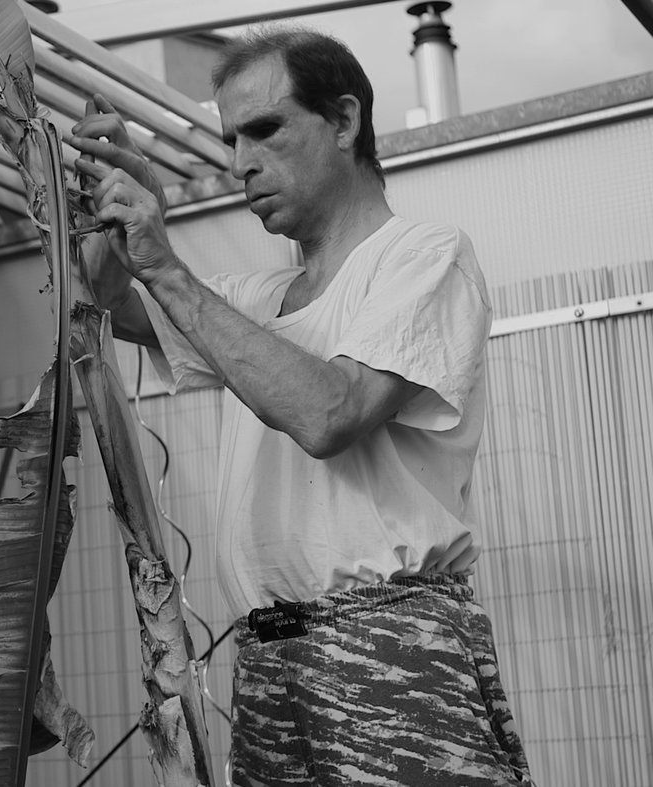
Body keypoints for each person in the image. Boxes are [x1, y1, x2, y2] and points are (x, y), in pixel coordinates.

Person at [65, 26, 535, 787]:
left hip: (387, 644)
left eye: (265, 130)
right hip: (268, 655)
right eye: (230, 140)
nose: (241, 163)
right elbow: (99, 307)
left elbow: (329, 413)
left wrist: (167, 267)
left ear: (345, 121)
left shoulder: (423, 256)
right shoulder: (255, 299)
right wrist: (121, 199)